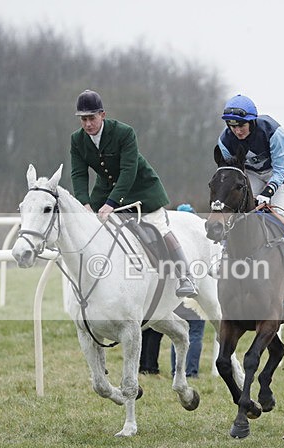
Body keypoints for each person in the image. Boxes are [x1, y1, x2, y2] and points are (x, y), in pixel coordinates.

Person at [70, 89, 198, 298]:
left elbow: (128, 171)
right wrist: (84, 203)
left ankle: (186, 276)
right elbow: (78, 174)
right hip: (104, 191)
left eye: (91, 118)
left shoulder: (124, 132)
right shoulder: (77, 140)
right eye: (83, 119)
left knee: (159, 227)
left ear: (102, 114)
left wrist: (111, 203)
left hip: (141, 189)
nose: (87, 124)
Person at [217, 94, 284, 268]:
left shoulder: (273, 131)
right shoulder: (225, 141)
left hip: (279, 170)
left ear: (252, 121)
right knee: (238, 211)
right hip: (250, 172)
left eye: (241, 125)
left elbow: (281, 168)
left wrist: (269, 191)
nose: (237, 131)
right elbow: (231, 172)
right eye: (232, 126)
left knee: (283, 211)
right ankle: (222, 256)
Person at [168, 204, 206, 377]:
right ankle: (191, 372)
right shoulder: (197, 242)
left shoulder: (171, 242)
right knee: (195, 334)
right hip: (195, 293)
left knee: (177, 334)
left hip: (177, 292)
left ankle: (176, 371)